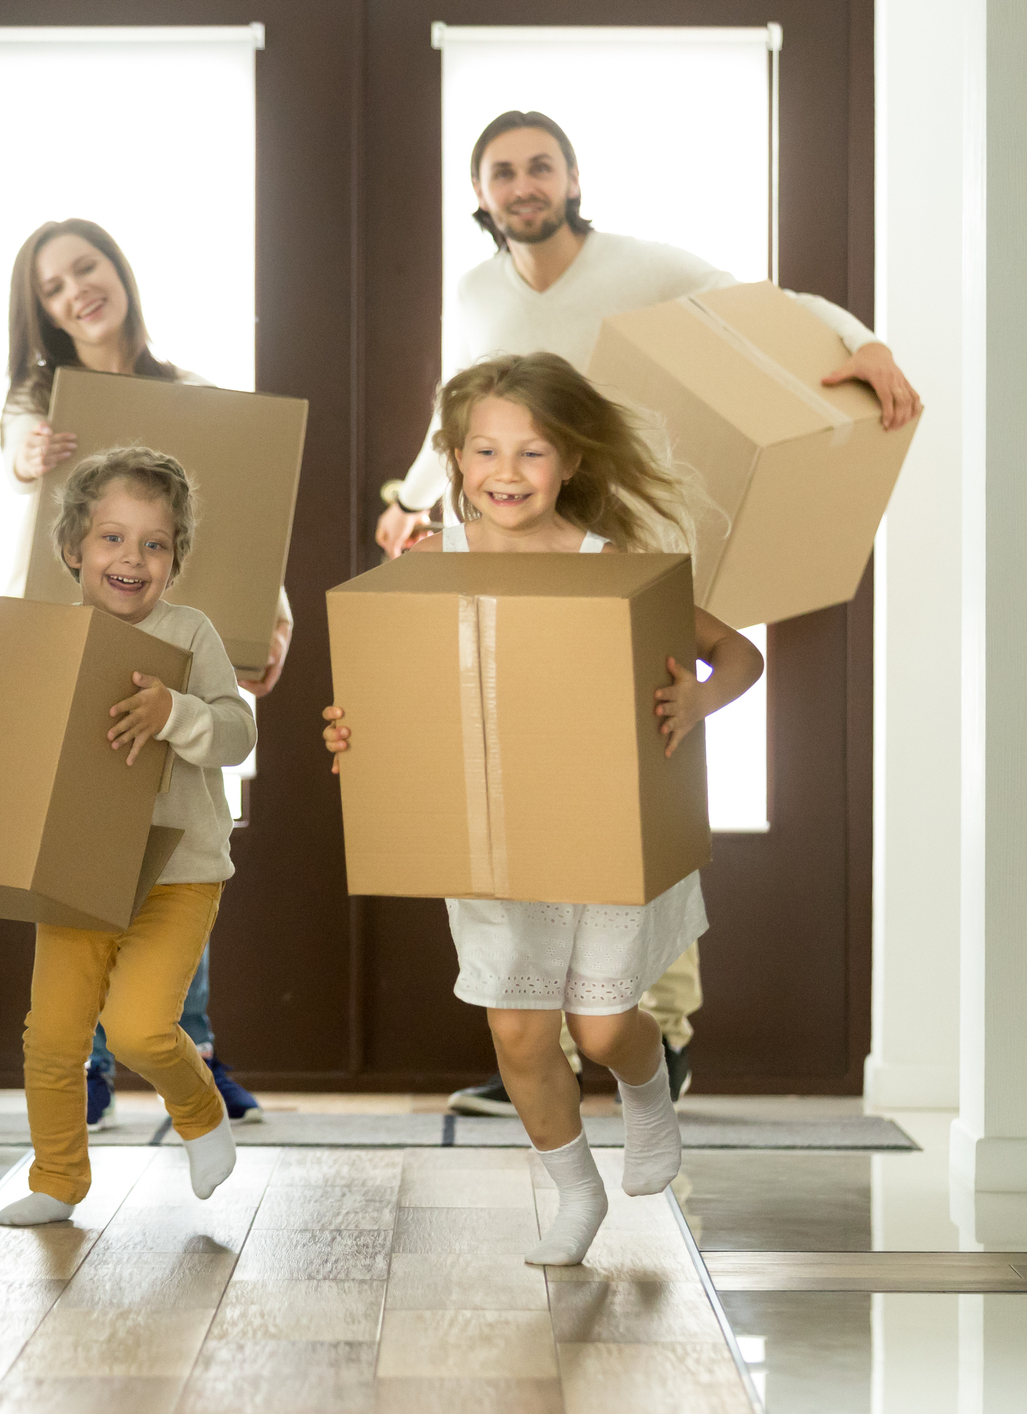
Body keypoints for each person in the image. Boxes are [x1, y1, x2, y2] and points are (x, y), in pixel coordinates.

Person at [377, 112, 921, 1117]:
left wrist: (865, 344)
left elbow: (774, 307)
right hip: (509, 552)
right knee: (528, 779)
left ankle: (662, 1036)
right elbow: (454, 415)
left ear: (572, 177)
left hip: (617, 540)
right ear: (482, 193)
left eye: (540, 166)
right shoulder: (475, 292)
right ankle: (536, 1040)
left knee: (638, 768)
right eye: (503, 172)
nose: (523, 184)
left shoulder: (642, 268)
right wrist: (412, 501)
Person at [322, 354, 764, 1264]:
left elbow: (739, 656)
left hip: (599, 836)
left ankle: (647, 1088)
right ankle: (575, 1194)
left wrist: (696, 701)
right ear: (454, 460)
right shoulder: (426, 565)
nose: (506, 472)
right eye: (485, 450)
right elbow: (390, 688)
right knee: (519, 1032)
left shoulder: (611, 569)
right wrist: (357, 732)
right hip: (493, 840)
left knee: (599, 1028)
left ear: (570, 460)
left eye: (531, 451)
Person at [0, 218, 285, 1130]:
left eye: (85, 267)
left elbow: (239, 519)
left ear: (117, 271)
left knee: (177, 844)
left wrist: (271, 616)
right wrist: (28, 453)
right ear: (42, 312)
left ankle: (188, 1048)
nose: (75, 290)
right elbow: (17, 453)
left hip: (164, 643)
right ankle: (87, 1058)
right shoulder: (38, 402)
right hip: (72, 642)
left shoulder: (187, 396)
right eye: (52, 287)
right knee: (84, 852)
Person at [0, 448, 253, 1226]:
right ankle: (56, 1180)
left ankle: (199, 1112)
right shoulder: (50, 636)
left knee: (138, 1029)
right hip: (79, 870)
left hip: (178, 871)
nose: (131, 559)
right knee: (52, 1037)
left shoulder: (189, 633)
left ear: (175, 559)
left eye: (153, 543)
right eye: (111, 538)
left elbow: (236, 732)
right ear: (73, 548)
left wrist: (176, 712)